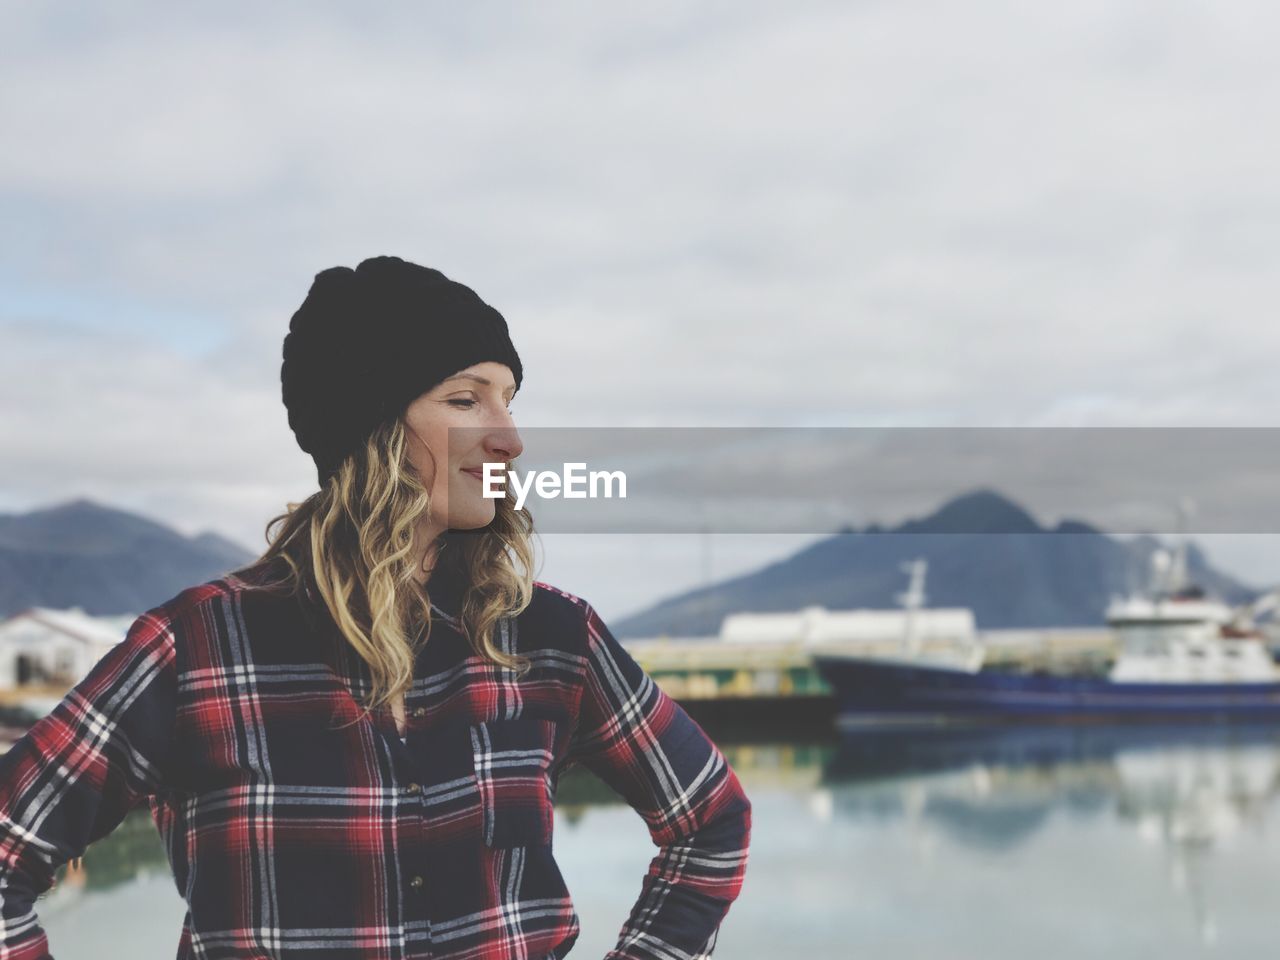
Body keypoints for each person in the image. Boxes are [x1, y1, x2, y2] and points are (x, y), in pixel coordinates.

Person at [0, 256, 752, 960]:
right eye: (465, 399)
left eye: (508, 399)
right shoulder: (197, 647)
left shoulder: (553, 637)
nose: (511, 437)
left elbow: (710, 822)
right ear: (372, 430)